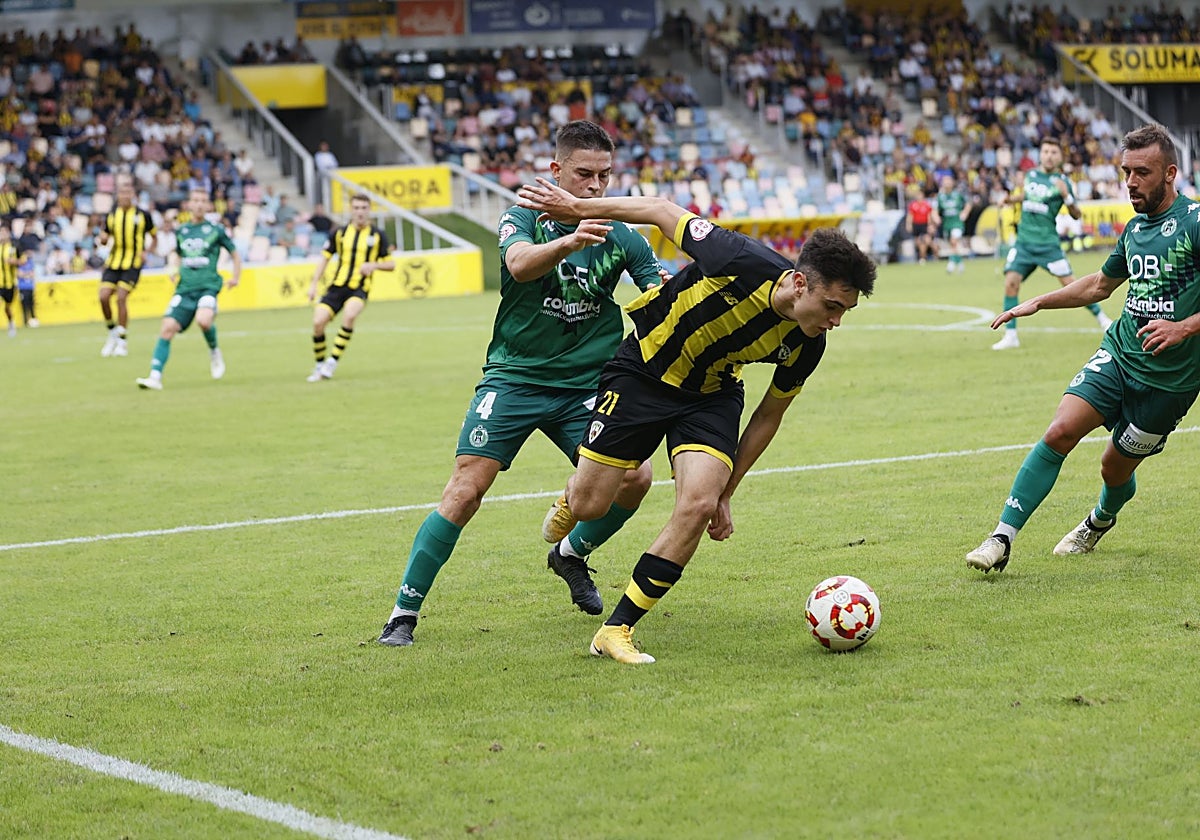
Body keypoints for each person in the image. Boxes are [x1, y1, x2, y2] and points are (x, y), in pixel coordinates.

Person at [514, 179, 877, 664]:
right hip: (643, 372)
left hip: (712, 395)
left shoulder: (807, 344)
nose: (835, 321)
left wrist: (726, 492)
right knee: (591, 503)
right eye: (832, 307)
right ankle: (572, 495)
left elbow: (769, 415)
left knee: (699, 502)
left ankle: (617, 629)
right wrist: (578, 206)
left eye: (845, 312)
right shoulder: (737, 257)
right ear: (799, 282)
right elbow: (661, 209)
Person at [376, 120, 666, 648]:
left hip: (586, 384)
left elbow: (660, 296)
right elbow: (518, 264)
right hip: (514, 378)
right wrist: (571, 240)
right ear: (556, 171)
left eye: (605, 175)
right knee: (465, 492)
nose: (597, 187)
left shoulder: (624, 236)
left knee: (637, 478)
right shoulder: (523, 216)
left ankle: (570, 554)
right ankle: (403, 613)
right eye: (584, 175)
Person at [966, 124, 1200, 573]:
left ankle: (1100, 519)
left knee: (1114, 469)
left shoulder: (1193, 223)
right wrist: (1037, 302)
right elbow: (1098, 285)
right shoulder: (1133, 230)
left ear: (1170, 173)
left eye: (1142, 173)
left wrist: (1184, 328)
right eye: (1125, 172)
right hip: (1120, 354)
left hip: (1171, 382)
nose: (1130, 183)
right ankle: (1001, 538)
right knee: (1059, 431)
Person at [992, 138, 1112, 350]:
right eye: (1045, 151)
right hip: (1024, 244)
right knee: (1011, 283)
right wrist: (1011, 200)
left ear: (1059, 156)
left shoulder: (1063, 182)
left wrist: (1066, 196)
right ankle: (1011, 336)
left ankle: (1103, 319)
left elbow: (1076, 215)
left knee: (1071, 286)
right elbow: (1028, 196)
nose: (1048, 155)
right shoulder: (1031, 175)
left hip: (1048, 245)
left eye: (1053, 152)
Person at [135, 188, 240, 391]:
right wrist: (173, 268)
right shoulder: (182, 231)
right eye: (195, 200)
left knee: (203, 320)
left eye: (203, 200)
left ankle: (214, 351)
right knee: (166, 328)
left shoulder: (216, 230)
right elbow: (176, 254)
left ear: (208, 205)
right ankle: (154, 376)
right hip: (184, 289)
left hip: (208, 286)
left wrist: (235, 277)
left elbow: (234, 253)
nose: (199, 204)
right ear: (189, 204)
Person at [305, 193, 395, 382]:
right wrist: (313, 285)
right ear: (351, 210)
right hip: (337, 287)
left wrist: (374, 265)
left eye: (363, 208)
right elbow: (325, 258)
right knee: (318, 323)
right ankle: (320, 364)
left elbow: (391, 264)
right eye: (356, 208)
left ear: (369, 210)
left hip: (359, 288)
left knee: (350, 314)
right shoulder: (339, 233)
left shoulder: (378, 235)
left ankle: (332, 362)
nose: (360, 212)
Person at [98, 176, 157, 357]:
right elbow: (104, 235)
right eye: (122, 193)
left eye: (128, 193)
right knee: (103, 297)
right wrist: (102, 239)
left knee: (121, 298)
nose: (124, 196)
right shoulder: (112, 215)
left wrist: (147, 252)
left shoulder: (143, 215)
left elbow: (154, 237)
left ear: (133, 195)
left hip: (132, 263)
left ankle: (122, 341)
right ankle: (112, 333)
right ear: (117, 195)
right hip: (114, 262)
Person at [931, 174, 968, 273]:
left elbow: (968, 204)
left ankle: (951, 264)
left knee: (953, 241)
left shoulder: (957, 194)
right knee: (953, 246)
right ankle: (960, 263)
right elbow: (934, 210)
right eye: (945, 182)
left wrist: (964, 213)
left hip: (957, 223)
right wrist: (936, 218)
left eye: (948, 181)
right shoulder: (940, 196)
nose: (947, 184)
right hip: (947, 224)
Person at [906, 186, 934, 264]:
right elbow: (910, 215)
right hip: (916, 225)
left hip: (924, 225)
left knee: (927, 240)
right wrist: (909, 224)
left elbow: (929, 216)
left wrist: (930, 225)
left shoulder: (926, 204)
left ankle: (927, 255)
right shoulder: (913, 205)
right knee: (918, 242)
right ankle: (922, 256)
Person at [0, 225, 17, 336]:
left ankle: (11, 323)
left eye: (4, 232)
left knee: (7, 308)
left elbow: (23, 261)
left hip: (10, 283)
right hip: (0, 283)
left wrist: (13, 261)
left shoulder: (14, 247)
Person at [16, 251, 37, 327]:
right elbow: (19, 274)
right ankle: (25, 321)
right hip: (22, 287)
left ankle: (34, 319)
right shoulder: (19, 266)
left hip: (30, 287)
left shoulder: (30, 264)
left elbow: (32, 274)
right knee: (24, 305)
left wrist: (24, 274)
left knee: (31, 304)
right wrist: (27, 274)